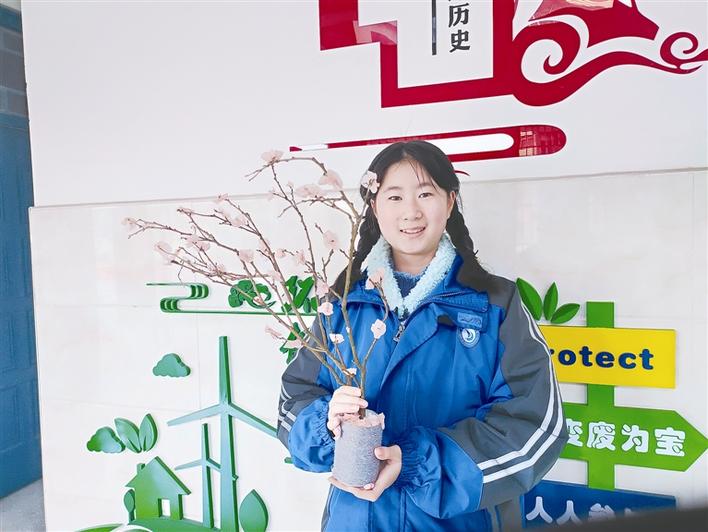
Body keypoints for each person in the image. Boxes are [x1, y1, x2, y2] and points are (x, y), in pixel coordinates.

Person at [277, 140, 568, 531]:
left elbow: (533, 429)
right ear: (375, 207)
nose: (410, 212)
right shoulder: (343, 304)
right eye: (394, 196)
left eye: (425, 194)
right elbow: (293, 402)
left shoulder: (497, 305)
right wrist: (326, 422)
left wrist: (416, 464)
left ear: (450, 202)